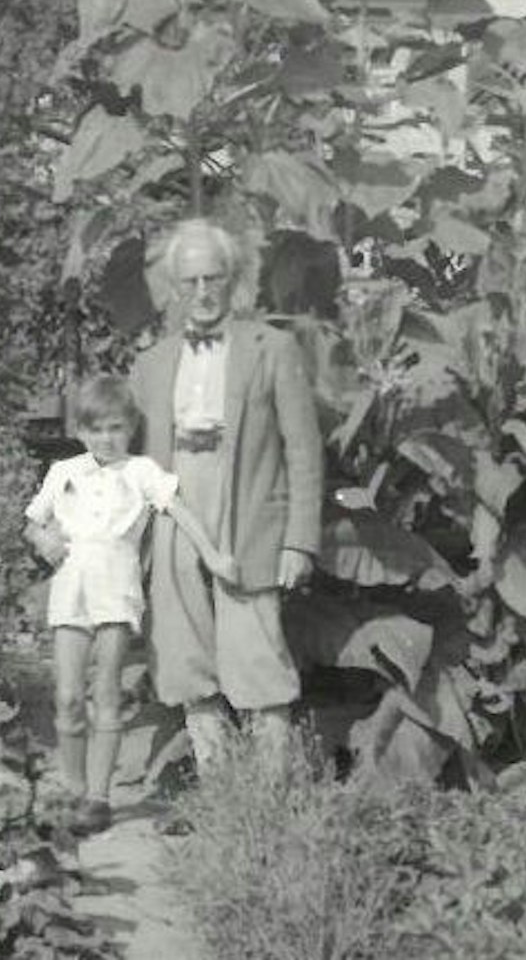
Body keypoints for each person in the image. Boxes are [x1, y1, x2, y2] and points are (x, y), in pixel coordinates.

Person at [129, 218, 323, 772]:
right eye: (189, 281)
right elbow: (130, 458)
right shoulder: (152, 363)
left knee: (256, 650)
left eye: (213, 278)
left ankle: (270, 798)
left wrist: (299, 541)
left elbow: (304, 451)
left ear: (234, 278)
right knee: (184, 650)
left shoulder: (273, 348)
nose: (203, 292)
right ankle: (222, 796)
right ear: (172, 287)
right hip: (174, 503)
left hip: (247, 504)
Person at [23, 374, 237, 832]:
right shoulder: (65, 473)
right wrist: (43, 540)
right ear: (81, 431)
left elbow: (181, 511)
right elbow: (33, 523)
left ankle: (98, 800)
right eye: (96, 429)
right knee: (66, 695)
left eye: (115, 428)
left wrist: (214, 555)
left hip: (115, 590)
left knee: (105, 692)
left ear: (130, 428)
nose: (106, 438)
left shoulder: (141, 472)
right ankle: (74, 787)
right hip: (70, 585)